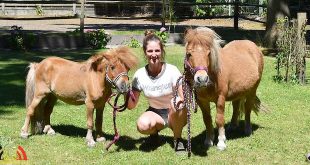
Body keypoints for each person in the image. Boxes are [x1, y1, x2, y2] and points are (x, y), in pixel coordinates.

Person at [127, 30, 187, 153]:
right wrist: (125, 91)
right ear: (145, 52)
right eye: (150, 51)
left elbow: (183, 97)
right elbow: (131, 106)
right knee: (142, 125)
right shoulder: (139, 75)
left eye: (157, 51)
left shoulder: (172, 70)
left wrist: (178, 105)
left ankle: (178, 139)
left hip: (175, 112)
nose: (153, 54)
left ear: (162, 51)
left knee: (176, 102)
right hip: (156, 113)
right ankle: (154, 135)